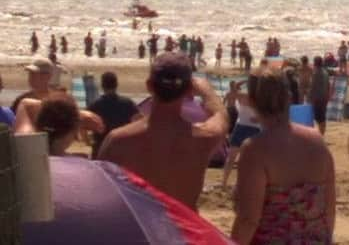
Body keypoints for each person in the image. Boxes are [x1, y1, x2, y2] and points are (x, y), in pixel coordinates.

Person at [98, 53, 228, 210]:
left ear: (149, 86)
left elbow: (102, 196)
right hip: (181, 230)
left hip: (140, 229)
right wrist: (207, 91)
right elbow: (221, 116)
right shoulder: (204, 137)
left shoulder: (118, 140)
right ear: (189, 90)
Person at [231, 68, 335, 244]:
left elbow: (248, 220)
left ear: (251, 102)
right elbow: (329, 210)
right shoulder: (317, 141)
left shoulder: (255, 150)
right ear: (289, 98)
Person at [14, 93, 104, 156]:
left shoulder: (26, 154)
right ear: (74, 130)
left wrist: (76, 114)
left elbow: (25, 104)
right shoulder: (88, 168)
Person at [88, 72, 139, 159]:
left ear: (102, 85)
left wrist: (88, 142)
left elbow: (82, 121)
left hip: (101, 148)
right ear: (116, 85)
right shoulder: (127, 103)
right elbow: (139, 120)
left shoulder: (95, 104)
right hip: (122, 147)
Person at [222, 82, 261, 188]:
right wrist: (259, 118)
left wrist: (243, 81)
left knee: (232, 158)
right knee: (249, 160)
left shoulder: (244, 96)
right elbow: (267, 115)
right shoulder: (261, 98)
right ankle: (239, 184)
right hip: (252, 129)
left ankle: (224, 183)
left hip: (242, 127)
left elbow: (233, 91)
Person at [310, 56, 330, 135]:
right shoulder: (325, 72)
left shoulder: (316, 73)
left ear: (315, 63)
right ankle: (322, 133)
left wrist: (310, 98)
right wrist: (328, 95)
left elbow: (313, 87)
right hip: (324, 97)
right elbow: (328, 85)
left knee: (319, 118)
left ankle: (321, 134)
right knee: (322, 117)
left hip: (318, 98)